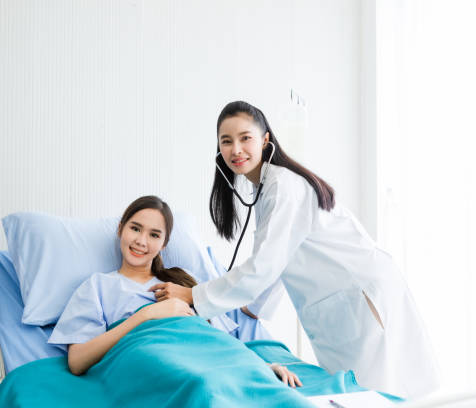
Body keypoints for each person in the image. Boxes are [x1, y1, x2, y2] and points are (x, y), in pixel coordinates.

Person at [150, 101, 439, 398]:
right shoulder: (267, 188)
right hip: (344, 301)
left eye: (245, 138)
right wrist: (253, 310)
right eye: (226, 141)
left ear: (265, 140)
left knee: (376, 395)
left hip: (360, 297)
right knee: (365, 394)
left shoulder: (284, 187)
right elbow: (281, 259)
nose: (236, 149)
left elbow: (264, 266)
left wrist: (193, 295)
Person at [48, 195, 301, 388]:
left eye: (154, 234)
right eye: (135, 228)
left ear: (164, 243)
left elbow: (218, 342)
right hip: (153, 359)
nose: (141, 241)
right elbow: (77, 361)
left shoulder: (184, 285)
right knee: (201, 385)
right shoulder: (97, 286)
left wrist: (262, 366)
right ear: (120, 229)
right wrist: (147, 314)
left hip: (207, 359)